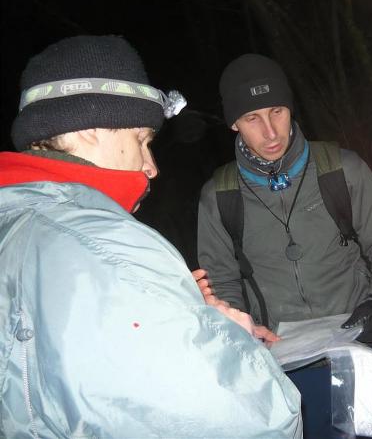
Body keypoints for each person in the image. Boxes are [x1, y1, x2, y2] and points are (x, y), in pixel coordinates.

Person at [0, 35, 302, 438]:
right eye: (141, 140)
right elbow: (253, 423)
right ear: (91, 129)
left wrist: (179, 312)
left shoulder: (16, 226)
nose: (151, 166)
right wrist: (233, 336)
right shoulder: (109, 252)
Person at [196, 53, 372, 438]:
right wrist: (245, 333)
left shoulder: (342, 170)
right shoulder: (219, 196)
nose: (270, 132)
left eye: (277, 112)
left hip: (362, 345)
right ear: (233, 124)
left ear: (290, 109)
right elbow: (222, 283)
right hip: (281, 365)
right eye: (252, 118)